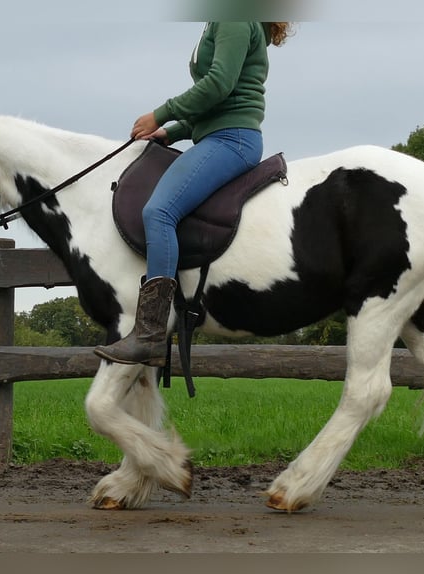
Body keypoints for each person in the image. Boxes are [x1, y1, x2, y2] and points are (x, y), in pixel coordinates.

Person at [94, 22, 293, 367]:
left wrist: (161, 113)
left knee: (159, 212)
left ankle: (150, 334)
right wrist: (171, 133)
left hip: (232, 140)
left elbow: (218, 85)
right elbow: (216, 101)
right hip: (219, 134)